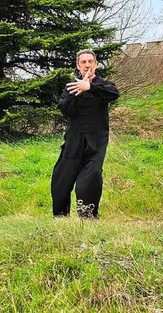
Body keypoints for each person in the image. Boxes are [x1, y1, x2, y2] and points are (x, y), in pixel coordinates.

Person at [51, 49, 119, 218]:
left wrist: (90, 87)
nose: (87, 65)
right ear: (78, 65)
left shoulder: (104, 85)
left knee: (89, 180)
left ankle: (88, 217)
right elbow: (65, 109)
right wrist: (78, 91)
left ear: (95, 64)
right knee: (60, 181)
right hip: (73, 144)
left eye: (90, 61)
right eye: (83, 62)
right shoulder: (71, 87)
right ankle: (60, 218)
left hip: (95, 145)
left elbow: (114, 94)